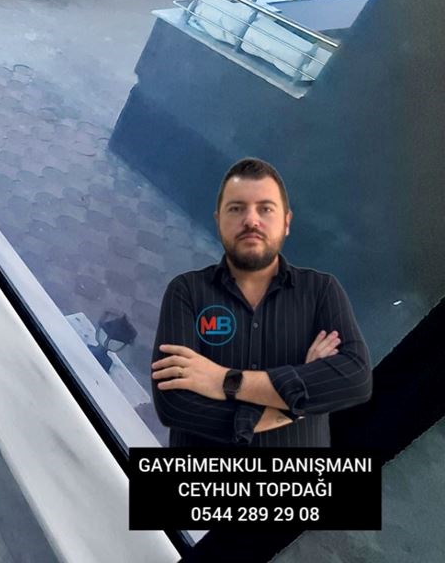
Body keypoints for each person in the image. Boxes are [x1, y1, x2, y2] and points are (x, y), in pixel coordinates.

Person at [151, 157, 372, 447]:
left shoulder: (321, 291)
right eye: (236, 208)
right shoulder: (187, 291)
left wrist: (224, 380)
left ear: (286, 222)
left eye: (265, 209)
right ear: (218, 220)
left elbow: (355, 378)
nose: (251, 220)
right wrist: (293, 406)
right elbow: (174, 404)